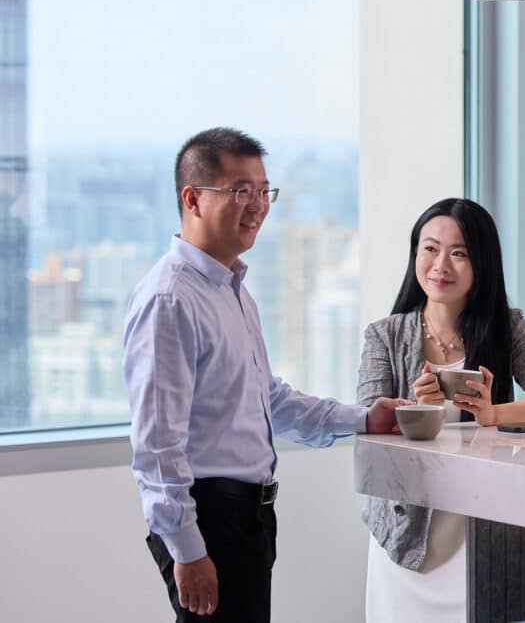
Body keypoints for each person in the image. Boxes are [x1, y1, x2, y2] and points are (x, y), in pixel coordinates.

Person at [123, 127, 407, 623]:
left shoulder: (231, 288)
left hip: (250, 518)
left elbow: (268, 401)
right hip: (211, 518)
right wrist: (187, 550)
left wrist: (365, 420)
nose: (257, 205)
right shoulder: (170, 299)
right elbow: (157, 445)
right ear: (192, 199)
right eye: (240, 191)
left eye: (263, 191)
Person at [357, 197, 525, 623]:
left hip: (483, 519)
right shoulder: (384, 335)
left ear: (482, 264)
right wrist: (421, 410)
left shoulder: (506, 327)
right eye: (430, 248)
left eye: (459, 253)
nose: (441, 265)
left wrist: (493, 415)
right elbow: (367, 424)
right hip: (408, 526)